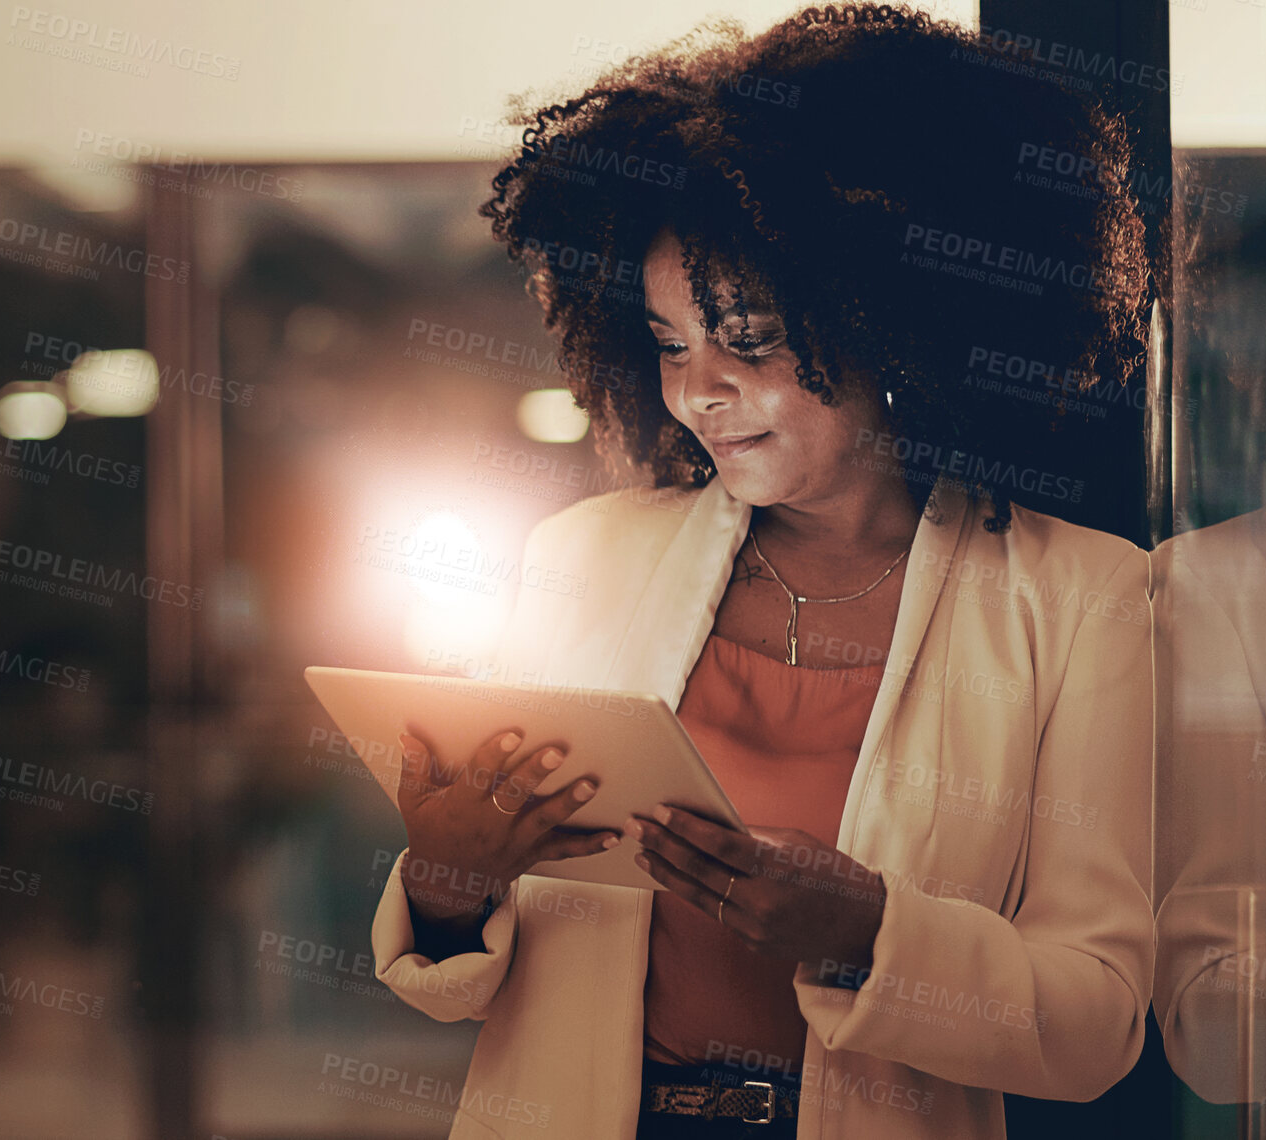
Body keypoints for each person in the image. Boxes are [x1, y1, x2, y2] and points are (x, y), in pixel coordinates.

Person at [371, 6, 1156, 1137]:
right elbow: (464, 971)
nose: (696, 393)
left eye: (747, 340)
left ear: (895, 331)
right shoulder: (581, 561)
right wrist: (448, 882)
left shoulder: (1082, 601)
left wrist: (869, 932)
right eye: (669, 342)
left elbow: (1094, 1026)